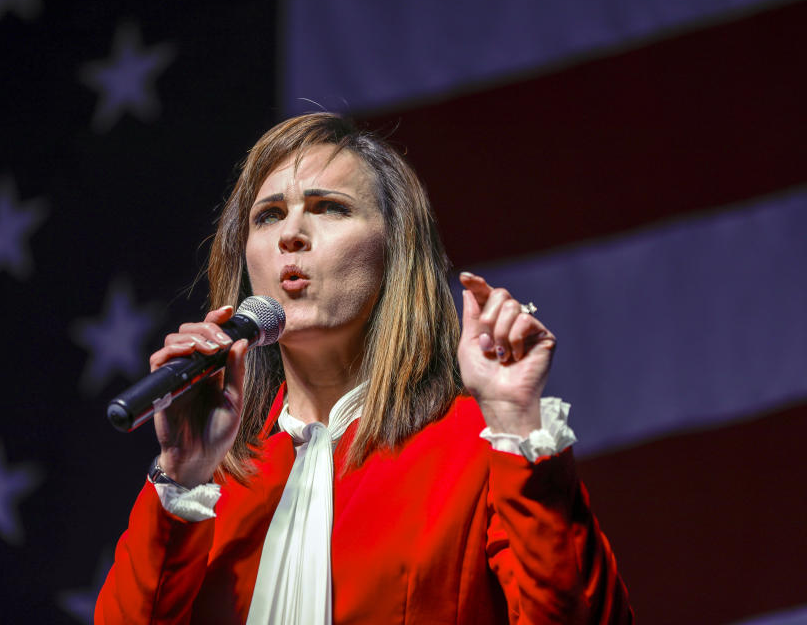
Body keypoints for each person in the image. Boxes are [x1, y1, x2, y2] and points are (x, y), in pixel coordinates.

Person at [95, 113, 632, 624]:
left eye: (329, 207)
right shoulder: (217, 477)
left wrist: (517, 420)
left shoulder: (478, 446)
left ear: (394, 249)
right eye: (269, 215)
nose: (291, 234)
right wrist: (182, 476)